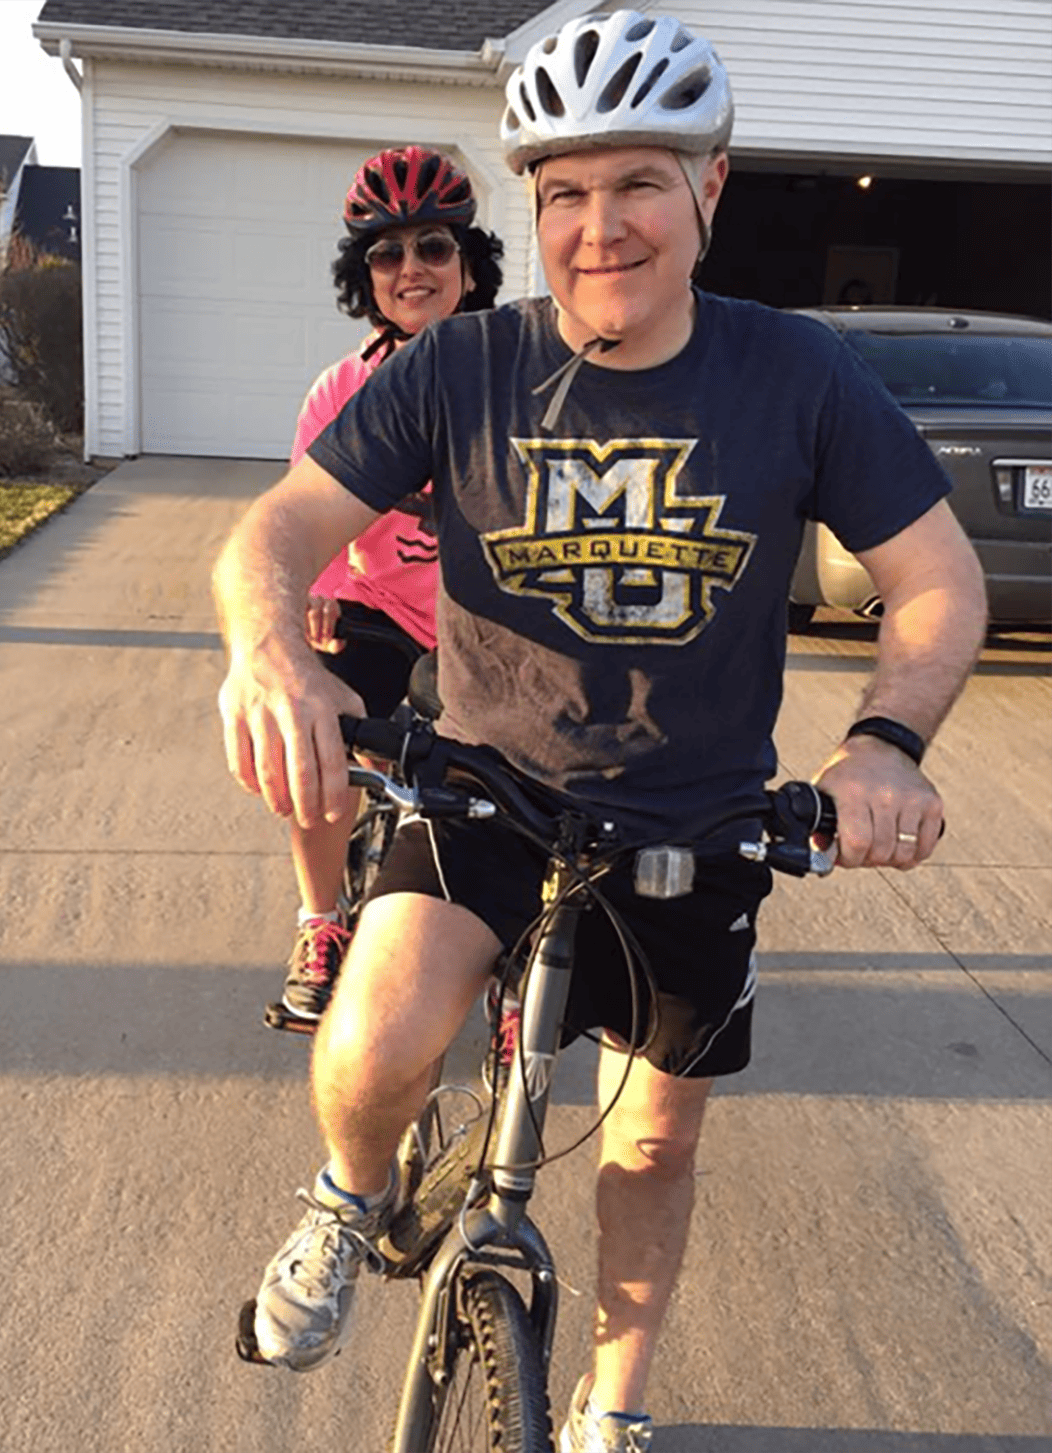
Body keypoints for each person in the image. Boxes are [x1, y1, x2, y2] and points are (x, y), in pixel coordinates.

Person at [212, 11, 987, 1451]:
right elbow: (275, 529)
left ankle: (612, 1408)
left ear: (711, 186)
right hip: (486, 786)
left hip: (699, 822)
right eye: (563, 190)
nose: (599, 224)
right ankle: (350, 1194)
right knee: (377, 1037)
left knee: (650, 1139)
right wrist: (271, 654)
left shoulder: (798, 374)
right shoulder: (460, 368)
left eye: (638, 180)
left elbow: (938, 579)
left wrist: (886, 740)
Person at [277, 146, 504, 1023]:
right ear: (363, 272)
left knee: (510, 778)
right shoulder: (343, 387)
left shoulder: (510, 372)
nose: (411, 269)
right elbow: (305, 505)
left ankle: (508, 946)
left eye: (434, 248)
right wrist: (322, 585)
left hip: (480, 626)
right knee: (322, 738)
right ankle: (323, 916)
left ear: (468, 263)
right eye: (387, 251)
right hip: (378, 609)